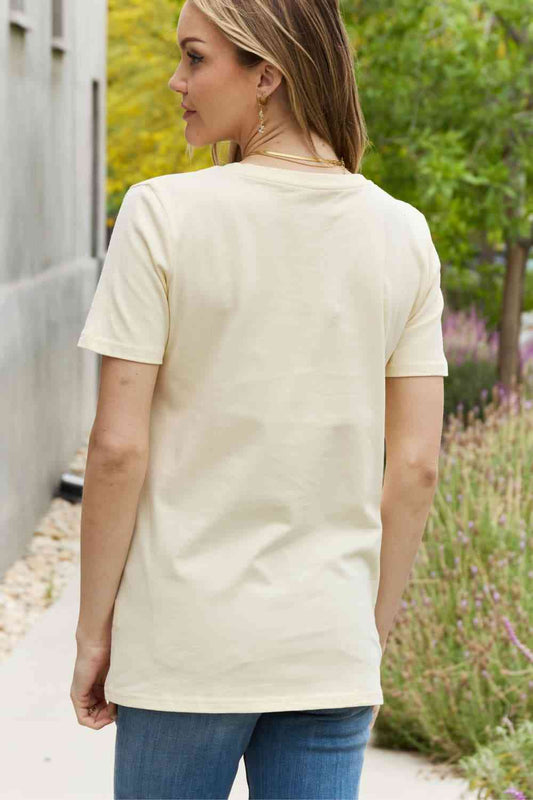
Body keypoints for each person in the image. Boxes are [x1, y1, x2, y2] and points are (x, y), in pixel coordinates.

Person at [71, 0, 448, 797]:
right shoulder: (402, 233)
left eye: (194, 57)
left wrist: (94, 632)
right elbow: (416, 465)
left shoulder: (161, 214)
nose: (176, 81)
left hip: (184, 647)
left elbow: (117, 449)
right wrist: (363, 638)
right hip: (327, 650)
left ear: (267, 75)